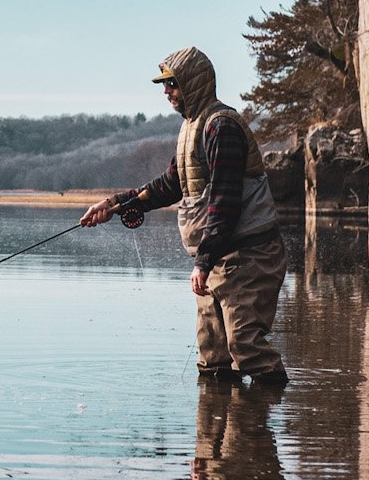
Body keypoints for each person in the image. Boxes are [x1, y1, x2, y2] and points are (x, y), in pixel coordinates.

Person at [80, 46, 288, 386]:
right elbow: (169, 186)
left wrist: (203, 260)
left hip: (250, 257)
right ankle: (218, 428)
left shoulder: (222, 127)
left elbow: (225, 201)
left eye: (171, 84)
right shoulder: (192, 129)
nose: (166, 92)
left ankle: (262, 424)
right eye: (163, 85)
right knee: (213, 356)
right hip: (219, 256)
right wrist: (114, 204)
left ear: (192, 83)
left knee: (246, 347)